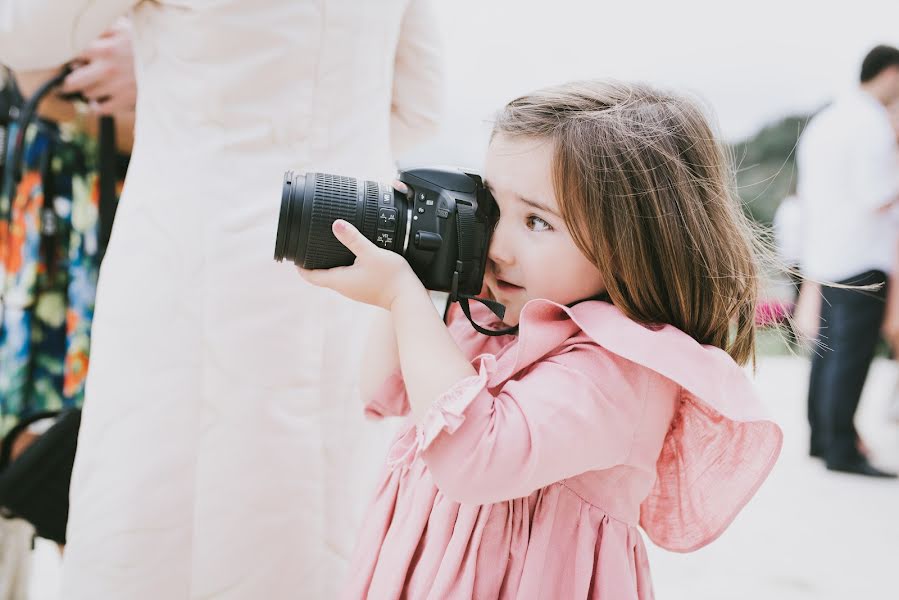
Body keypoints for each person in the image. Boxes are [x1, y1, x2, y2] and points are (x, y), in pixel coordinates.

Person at [0, 1, 443, 598]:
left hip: (187, 242)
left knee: (159, 504)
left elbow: (23, 36)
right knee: (324, 501)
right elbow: (419, 108)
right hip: (347, 244)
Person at [300, 80, 783, 599]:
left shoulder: (619, 371)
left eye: (535, 221)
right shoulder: (495, 316)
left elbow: (476, 459)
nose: (497, 245)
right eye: (491, 210)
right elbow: (384, 388)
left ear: (630, 240)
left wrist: (401, 297)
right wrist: (411, 272)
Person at [799, 45, 899, 477]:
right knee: (851, 355)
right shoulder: (871, 122)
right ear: (891, 72)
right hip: (863, 253)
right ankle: (843, 450)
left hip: (827, 251)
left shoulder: (826, 120)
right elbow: (877, 195)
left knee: (827, 352)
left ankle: (821, 438)